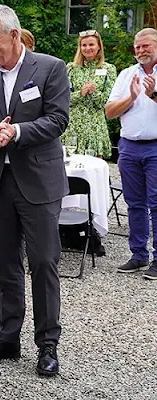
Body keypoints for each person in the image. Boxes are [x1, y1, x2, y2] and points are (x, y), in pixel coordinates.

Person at [0, 5, 70, 377]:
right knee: (5, 264)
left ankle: (48, 345)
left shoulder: (50, 68)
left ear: (13, 35)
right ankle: (8, 337)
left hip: (38, 182)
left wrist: (18, 132)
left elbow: (58, 119)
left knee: (43, 262)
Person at [105, 28, 157, 280]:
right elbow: (110, 111)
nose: (140, 51)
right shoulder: (126, 74)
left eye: (145, 46)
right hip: (128, 146)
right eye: (137, 47)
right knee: (134, 203)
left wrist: (153, 95)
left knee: (156, 204)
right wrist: (132, 97)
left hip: (156, 147)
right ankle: (138, 255)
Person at [63, 30, 117, 158]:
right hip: (73, 127)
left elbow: (108, 102)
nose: (88, 48)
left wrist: (94, 93)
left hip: (95, 128)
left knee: (94, 170)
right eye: (84, 45)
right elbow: (63, 99)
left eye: (91, 44)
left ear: (99, 46)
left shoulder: (108, 69)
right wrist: (80, 93)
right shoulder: (71, 68)